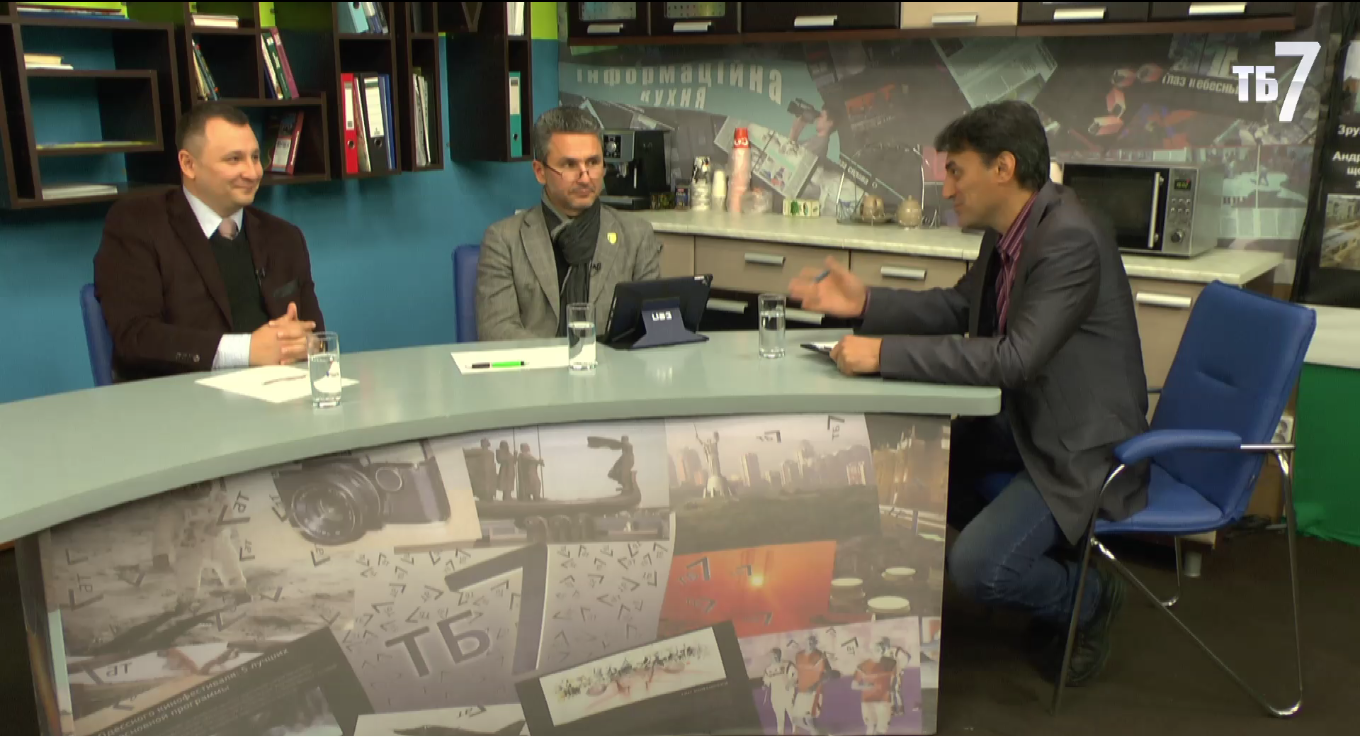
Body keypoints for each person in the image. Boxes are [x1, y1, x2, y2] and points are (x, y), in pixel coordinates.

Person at [789, 100, 1148, 688]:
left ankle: (1088, 597)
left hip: (1076, 446)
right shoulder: (1012, 232)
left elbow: (1014, 358)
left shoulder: (1069, 239)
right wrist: (868, 304)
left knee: (978, 568)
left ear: (1003, 168)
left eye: (956, 170)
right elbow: (962, 307)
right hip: (1021, 428)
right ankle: (1043, 561)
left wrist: (883, 355)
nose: (946, 187)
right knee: (909, 481)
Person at [93, 102, 324, 382]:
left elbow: (317, 337)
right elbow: (136, 338)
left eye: (255, 157)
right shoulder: (137, 226)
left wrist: (307, 345)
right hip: (181, 400)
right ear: (188, 164)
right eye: (234, 159)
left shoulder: (285, 237)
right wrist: (247, 350)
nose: (253, 172)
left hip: (283, 394)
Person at [476, 107, 663, 341]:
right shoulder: (503, 241)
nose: (585, 177)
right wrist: (566, 357)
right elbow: (496, 331)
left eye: (593, 162)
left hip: (612, 363)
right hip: (537, 365)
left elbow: (652, 325)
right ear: (540, 172)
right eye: (570, 165)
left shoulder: (637, 235)